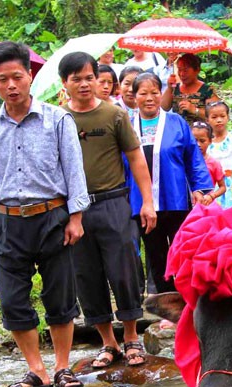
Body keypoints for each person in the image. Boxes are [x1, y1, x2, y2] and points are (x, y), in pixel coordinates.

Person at [0, 41, 90, 387]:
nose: (11, 85)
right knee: (12, 300)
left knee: (60, 296)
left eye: (17, 77)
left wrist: (76, 217)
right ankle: (36, 370)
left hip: (52, 217)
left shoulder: (57, 119)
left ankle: (62, 367)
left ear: (30, 75)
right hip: (8, 221)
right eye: (2, 79)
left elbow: (74, 170)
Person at [59, 52, 158, 369]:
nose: (84, 84)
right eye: (76, 79)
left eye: (89, 77)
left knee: (124, 270)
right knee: (85, 273)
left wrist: (147, 201)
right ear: (65, 83)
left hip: (114, 201)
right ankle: (108, 342)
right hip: (74, 209)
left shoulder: (114, 115)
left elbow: (136, 158)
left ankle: (131, 337)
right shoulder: (58, 119)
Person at [128, 72, 214, 293]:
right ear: (134, 96)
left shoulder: (176, 123)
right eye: (143, 93)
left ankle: (187, 295)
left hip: (175, 198)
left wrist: (199, 188)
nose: (149, 98)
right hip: (143, 203)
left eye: (154, 92)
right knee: (155, 253)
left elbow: (192, 156)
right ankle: (165, 297)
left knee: (183, 248)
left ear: (162, 94)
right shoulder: (126, 125)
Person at [161, 53, 217, 124]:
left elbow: (216, 115)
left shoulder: (207, 90)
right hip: (179, 129)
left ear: (197, 70)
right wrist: (169, 88)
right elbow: (164, 107)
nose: (182, 74)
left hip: (199, 130)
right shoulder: (175, 88)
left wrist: (194, 110)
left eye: (185, 70)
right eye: (179, 70)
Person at [190, 121, 228, 202]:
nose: (198, 144)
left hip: (206, 204)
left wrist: (212, 196)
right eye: (194, 140)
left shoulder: (214, 163)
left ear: (210, 141)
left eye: (202, 141)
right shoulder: (184, 162)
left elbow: (222, 187)